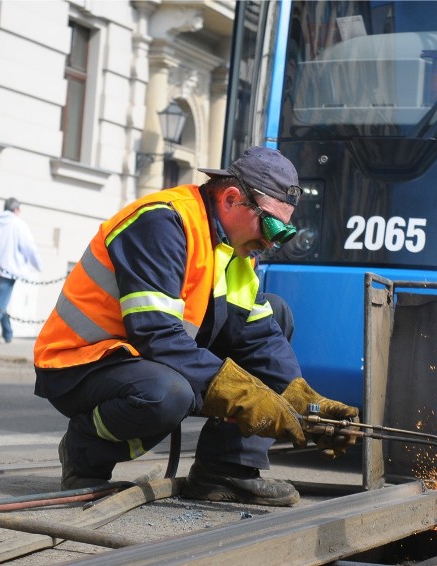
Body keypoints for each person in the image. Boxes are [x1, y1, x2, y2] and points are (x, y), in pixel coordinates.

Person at [33, 147, 358, 506]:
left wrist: (302, 399)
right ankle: (84, 453)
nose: (271, 242)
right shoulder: (161, 222)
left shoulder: (233, 249)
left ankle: (226, 470)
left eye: (284, 233)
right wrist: (244, 394)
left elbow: (258, 334)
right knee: (169, 394)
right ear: (232, 199)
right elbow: (156, 333)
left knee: (275, 313)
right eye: (271, 226)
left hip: (140, 358)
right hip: (82, 363)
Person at [0, 197, 42, 344]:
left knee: (1, 301)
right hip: (9, 270)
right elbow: (29, 247)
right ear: (16, 210)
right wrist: (38, 265)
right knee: (0, 302)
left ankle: (7, 333)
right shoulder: (18, 224)